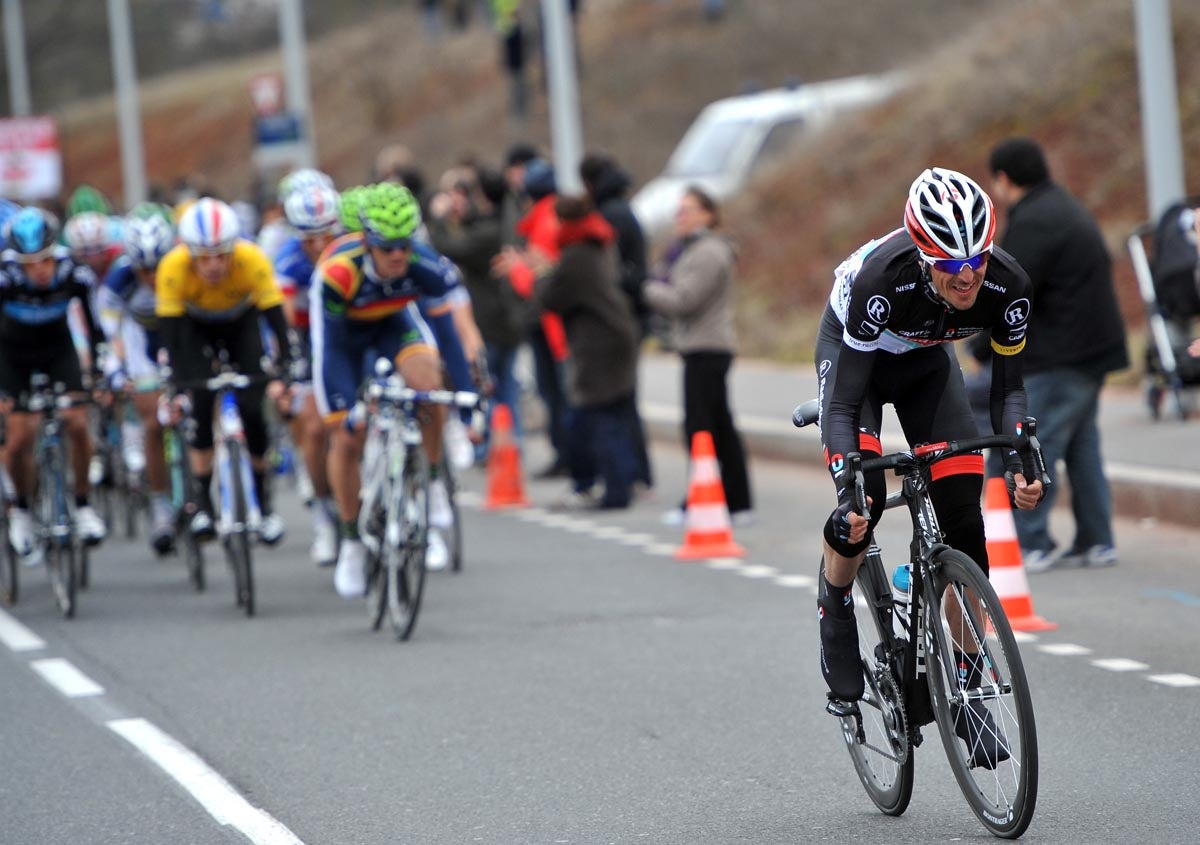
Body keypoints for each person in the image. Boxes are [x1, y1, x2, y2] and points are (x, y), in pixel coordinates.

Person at [812, 167, 1044, 768]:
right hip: (855, 365)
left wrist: (1023, 455)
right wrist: (847, 479)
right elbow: (842, 403)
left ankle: (968, 692)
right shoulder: (878, 283)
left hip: (926, 369)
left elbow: (1009, 392)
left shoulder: (1008, 284)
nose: (967, 277)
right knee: (858, 505)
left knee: (966, 525)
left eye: (977, 261)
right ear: (921, 256)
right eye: (950, 265)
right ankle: (835, 610)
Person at [311, 183, 475, 596]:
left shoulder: (421, 263)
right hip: (344, 341)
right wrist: (344, 408)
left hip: (393, 327)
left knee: (429, 387)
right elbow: (327, 352)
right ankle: (350, 541)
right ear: (367, 242)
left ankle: (434, 481)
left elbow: (448, 332)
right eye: (388, 248)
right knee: (346, 437)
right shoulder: (338, 272)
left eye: (404, 245)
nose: (398, 255)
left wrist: (469, 401)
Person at [986, 137, 1128, 571]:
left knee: (1034, 440)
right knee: (1082, 445)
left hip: (1062, 355)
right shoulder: (1063, 206)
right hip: (1092, 349)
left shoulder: (1033, 221)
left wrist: (980, 342)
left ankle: (1029, 541)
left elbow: (1007, 288)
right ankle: (1096, 539)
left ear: (1004, 179)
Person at [156, 198, 292, 547]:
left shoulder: (251, 259)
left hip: (240, 323)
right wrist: (176, 379)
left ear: (234, 249)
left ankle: (264, 504)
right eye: (204, 256)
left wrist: (285, 367)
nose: (214, 265)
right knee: (200, 401)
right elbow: (171, 335)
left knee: (252, 408)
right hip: (194, 326)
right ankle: (204, 504)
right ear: (189, 253)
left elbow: (276, 319)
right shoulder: (172, 267)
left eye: (221, 255)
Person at [1, 207, 108, 559]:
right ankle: (21, 509)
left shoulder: (73, 272)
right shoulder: (5, 278)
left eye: (45, 260)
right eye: (31, 264)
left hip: (57, 350)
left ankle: (82, 505)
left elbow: (94, 328)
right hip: (12, 355)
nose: (40, 270)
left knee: (77, 421)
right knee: (19, 437)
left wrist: (101, 375)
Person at [643, 186, 752, 524]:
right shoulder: (689, 249)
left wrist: (643, 290)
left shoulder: (708, 252)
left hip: (708, 347)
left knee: (701, 427)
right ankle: (736, 502)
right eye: (678, 211)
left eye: (688, 210)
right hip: (700, 347)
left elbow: (684, 300)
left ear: (708, 214)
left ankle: (707, 500)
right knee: (717, 425)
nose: (681, 217)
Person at [535, 196, 640, 509]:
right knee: (614, 414)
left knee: (591, 417)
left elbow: (550, 298)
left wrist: (541, 272)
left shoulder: (576, 256)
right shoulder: (599, 244)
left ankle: (610, 488)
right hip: (617, 336)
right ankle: (618, 482)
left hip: (597, 345)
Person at [97, 202, 179, 555]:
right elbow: (113, 333)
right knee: (152, 422)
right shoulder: (119, 279)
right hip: (139, 342)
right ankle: (161, 503)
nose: (152, 275)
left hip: (179, 337)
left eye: (158, 266)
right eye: (144, 268)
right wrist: (117, 371)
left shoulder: (182, 265)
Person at [274, 181, 344, 567]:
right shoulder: (287, 258)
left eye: (326, 234)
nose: (319, 245)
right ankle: (322, 515)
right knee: (314, 429)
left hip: (341, 330)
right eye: (309, 237)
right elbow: (284, 319)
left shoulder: (348, 247)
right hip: (303, 337)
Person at [581, 152, 654, 490]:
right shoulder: (624, 209)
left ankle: (633, 470)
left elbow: (611, 271)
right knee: (626, 396)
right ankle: (638, 470)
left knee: (621, 397)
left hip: (621, 314)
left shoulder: (609, 216)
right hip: (632, 311)